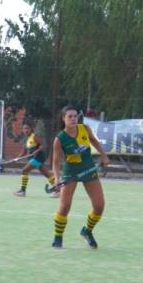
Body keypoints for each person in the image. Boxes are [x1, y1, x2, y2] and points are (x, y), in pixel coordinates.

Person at [50, 105, 110, 248]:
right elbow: (55, 162)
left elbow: (94, 141)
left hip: (89, 169)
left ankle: (87, 231)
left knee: (99, 206)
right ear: (63, 118)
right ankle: (58, 237)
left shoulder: (85, 129)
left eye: (75, 116)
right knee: (64, 207)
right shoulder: (60, 139)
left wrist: (104, 155)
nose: (73, 119)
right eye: (69, 116)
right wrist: (57, 179)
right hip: (71, 172)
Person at [13, 121, 59, 197]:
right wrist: (17, 158)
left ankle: (22, 190)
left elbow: (42, 145)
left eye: (27, 128)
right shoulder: (26, 139)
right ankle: (58, 190)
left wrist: (36, 151)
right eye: (24, 128)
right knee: (47, 174)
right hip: (35, 159)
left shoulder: (34, 136)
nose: (26, 130)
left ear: (31, 129)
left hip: (38, 158)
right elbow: (24, 151)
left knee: (24, 170)